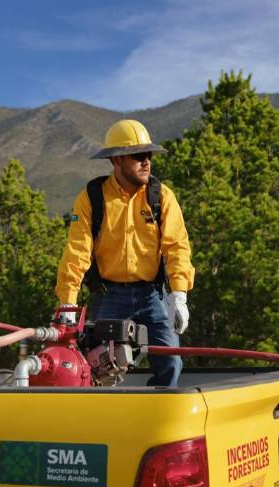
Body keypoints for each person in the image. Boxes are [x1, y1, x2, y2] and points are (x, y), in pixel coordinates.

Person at [55, 119, 194, 387]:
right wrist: (68, 304)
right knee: (95, 367)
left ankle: (158, 421)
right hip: (109, 297)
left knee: (171, 362)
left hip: (153, 295)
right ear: (116, 160)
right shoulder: (92, 198)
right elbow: (77, 252)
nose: (147, 162)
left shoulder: (161, 196)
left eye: (149, 155)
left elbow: (177, 246)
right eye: (138, 156)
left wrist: (178, 295)